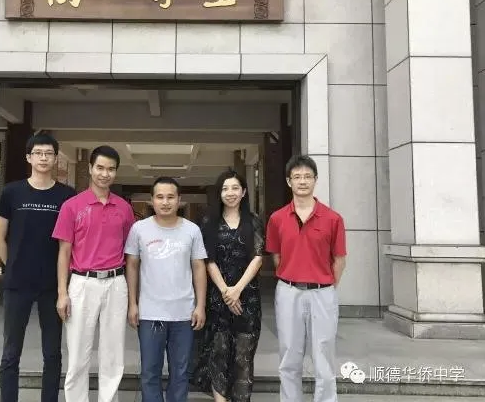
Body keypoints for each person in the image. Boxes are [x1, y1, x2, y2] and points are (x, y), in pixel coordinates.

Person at [0, 132, 77, 402]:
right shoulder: (12, 192)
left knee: (52, 353)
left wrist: (63, 286)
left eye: (48, 153)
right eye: (38, 153)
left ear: (55, 158)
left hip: (52, 285)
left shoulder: (67, 195)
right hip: (17, 284)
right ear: (28, 157)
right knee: (11, 352)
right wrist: (13, 266)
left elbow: (69, 243)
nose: (43, 158)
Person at [53, 145, 135, 402]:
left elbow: (131, 254)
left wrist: (134, 298)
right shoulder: (72, 206)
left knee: (113, 355)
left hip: (116, 283)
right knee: (78, 355)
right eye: (100, 167)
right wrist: (62, 293)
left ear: (116, 172)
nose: (104, 174)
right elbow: (64, 252)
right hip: (82, 283)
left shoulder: (124, 208)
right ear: (90, 168)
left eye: (110, 169)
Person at [266, 155, 347, 402]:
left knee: (324, 355)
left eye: (307, 176)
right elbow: (277, 256)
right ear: (288, 181)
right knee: (289, 355)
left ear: (315, 180)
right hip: (288, 292)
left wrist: (325, 284)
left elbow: (339, 260)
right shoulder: (277, 218)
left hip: (323, 292)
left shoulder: (333, 218)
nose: (302, 181)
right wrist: (293, 277)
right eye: (297, 177)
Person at [125, 176, 207, 402]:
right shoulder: (139, 229)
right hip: (150, 313)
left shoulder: (192, 230)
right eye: (160, 197)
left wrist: (200, 305)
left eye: (170, 197)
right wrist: (132, 304)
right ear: (152, 200)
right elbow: (132, 265)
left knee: (180, 373)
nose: (165, 202)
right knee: (149, 372)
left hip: (184, 313)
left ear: (179, 200)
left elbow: (199, 267)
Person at [191, 170, 265, 402]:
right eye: (225, 189)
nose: (230, 193)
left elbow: (258, 258)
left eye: (235, 188)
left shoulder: (253, 221)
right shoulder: (208, 222)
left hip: (247, 298)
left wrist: (237, 290)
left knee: (244, 354)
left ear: (243, 192)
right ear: (219, 193)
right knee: (218, 352)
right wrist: (226, 291)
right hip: (217, 298)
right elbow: (208, 260)